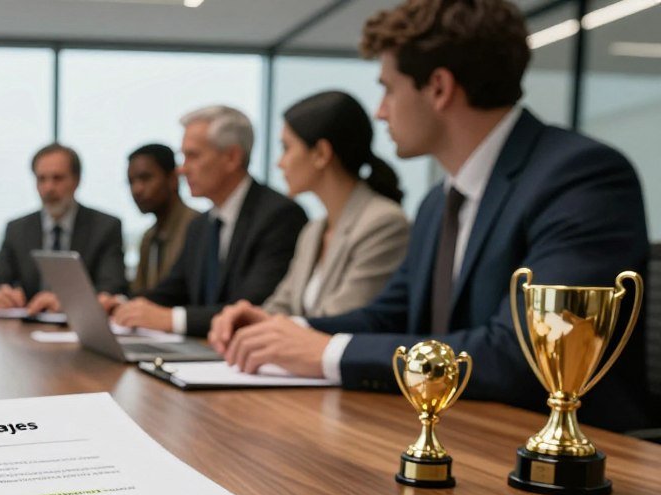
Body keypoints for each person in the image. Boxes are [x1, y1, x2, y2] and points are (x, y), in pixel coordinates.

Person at [211, 0, 648, 431]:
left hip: (566, 462)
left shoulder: (580, 177)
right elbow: (389, 315)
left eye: (388, 88)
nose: (380, 111)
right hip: (459, 432)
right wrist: (281, 328)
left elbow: (521, 355)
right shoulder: (439, 201)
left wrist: (327, 353)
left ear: (438, 87)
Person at [209, 91, 409, 340]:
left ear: (321, 154)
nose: (280, 163)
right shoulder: (314, 230)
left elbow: (344, 320)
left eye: (286, 148)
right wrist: (247, 318)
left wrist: (269, 328)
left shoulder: (383, 223)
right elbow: (281, 304)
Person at [109, 106, 307, 337]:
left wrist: (172, 319)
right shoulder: (201, 226)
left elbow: (253, 306)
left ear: (232, 157)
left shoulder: (279, 216)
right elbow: (172, 290)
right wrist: (119, 304)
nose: (182, 169)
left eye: (193, 156)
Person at [0, 143, 126, 313]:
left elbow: (112, 288)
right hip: (26, 327)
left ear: (77, 180)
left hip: (80, 329)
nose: (49, 188)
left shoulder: (105, 227)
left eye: (57, 178)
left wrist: (69, 303)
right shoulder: (17, 229)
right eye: (41, 179)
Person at [127, 143, 199, 295]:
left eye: (145, 178)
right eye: (131, 182)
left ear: (173, 179)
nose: (137, 189)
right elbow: (140, 294)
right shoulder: (148, 237)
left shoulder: (197, 227)